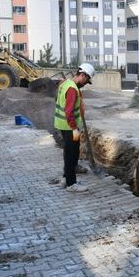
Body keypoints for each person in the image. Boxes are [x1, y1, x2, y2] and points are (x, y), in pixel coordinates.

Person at [54, 63, 95, 192]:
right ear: (83, 75)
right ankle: (71, 184)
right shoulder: (72, 89)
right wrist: (74, 128)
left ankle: (66, 178)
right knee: (71, 154)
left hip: (63, 125)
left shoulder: (66, 83)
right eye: (87, 80)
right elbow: (69, 111)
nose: (86, 83)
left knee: (70, 152)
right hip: (70, 127)